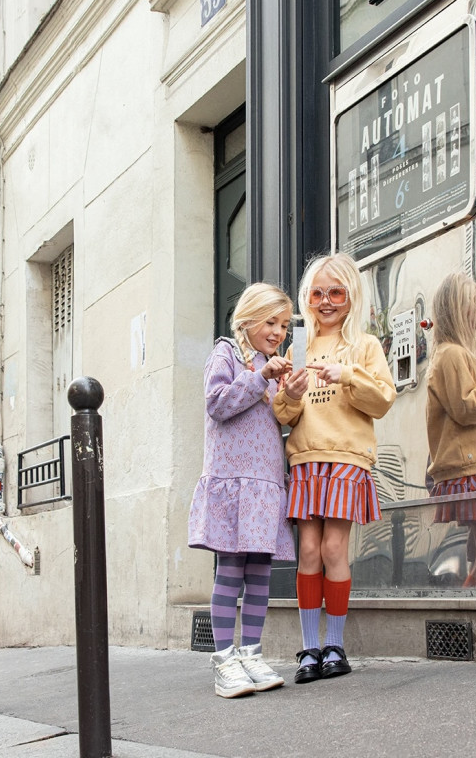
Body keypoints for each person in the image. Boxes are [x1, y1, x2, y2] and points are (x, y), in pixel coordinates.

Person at [273, 252, 396, 684]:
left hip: (346, 458)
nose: (327, 301)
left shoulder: (365, 345)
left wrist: (346, 374)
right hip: (306, 460)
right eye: (318, 293)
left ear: (351, 295)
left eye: (336, 292)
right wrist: (289, 392)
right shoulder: (299, 346)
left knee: (332, 550)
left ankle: (336, 645)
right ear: (308, 298)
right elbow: (285, 415)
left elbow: (382, 399)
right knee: (307, 551)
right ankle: (309, 648)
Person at [188, 282, 297, 699]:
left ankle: (251, 652)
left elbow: (279, 418)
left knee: (261, 573)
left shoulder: (273, 364)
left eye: (284, 324)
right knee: (231, 570)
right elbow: (217, 403)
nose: (278, 331)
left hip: (265, 482)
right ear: (247, 319)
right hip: (233, 481)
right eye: (270, 321)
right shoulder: (227, 354)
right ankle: (224, 660)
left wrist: (291, 393)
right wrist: (258, 376)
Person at [425, 272, 476, 588]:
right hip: (467, 464)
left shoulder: (448, 353)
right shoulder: (453, 354)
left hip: (463, 464)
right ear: (461, 311)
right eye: (475, 306)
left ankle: (473, 588)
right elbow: (467, 407)